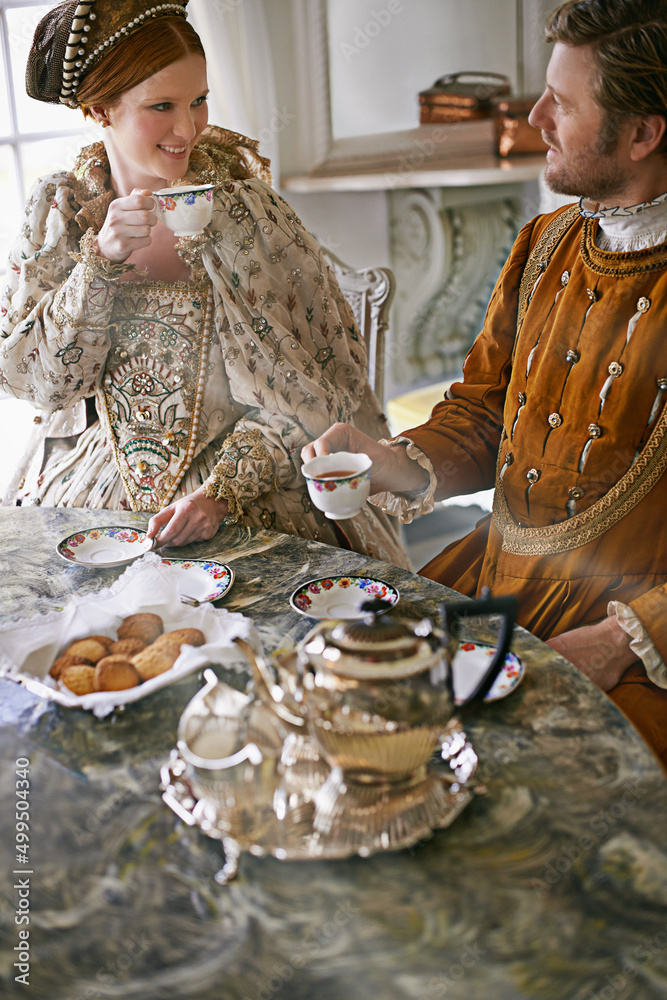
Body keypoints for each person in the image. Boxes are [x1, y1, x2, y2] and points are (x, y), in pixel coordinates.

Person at [303, 0, 667, 769]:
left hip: (630, 629)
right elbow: (480, 411)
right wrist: (383, 461)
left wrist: (619, 640)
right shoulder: (542, 243)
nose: (534, 116)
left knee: (545, 791)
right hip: (494, 571)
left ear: (642, 134)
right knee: (356, 706)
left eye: (562, 104)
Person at [0, 0, 408, 569]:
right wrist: (100, 262)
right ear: (99, 109)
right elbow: (36, 381)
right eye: (161, 106)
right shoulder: (63, 214)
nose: (187, 128)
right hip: (101, 486)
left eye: (199, 100)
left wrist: (220, 493)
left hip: (253, 490)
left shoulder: (248, 215)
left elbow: (313, 398)